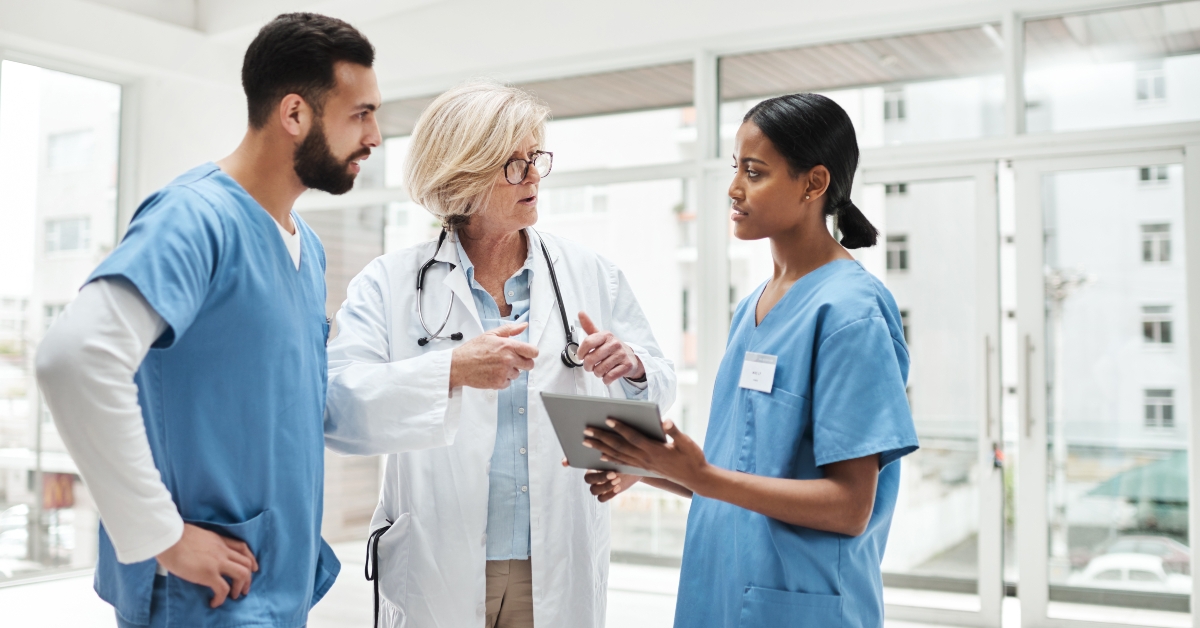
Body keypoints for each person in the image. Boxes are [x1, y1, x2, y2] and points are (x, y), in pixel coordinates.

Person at [35, 13, 382, 627]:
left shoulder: (305, 246)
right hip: (202, 597)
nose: (375, 136)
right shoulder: (195, 217)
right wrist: (160, 534)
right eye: (360, 114)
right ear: (295, 114)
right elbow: (74, 358)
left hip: (272, 585)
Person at [323, 80, 676, 628]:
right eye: (513, 164)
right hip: (440, 559)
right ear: (461, 175)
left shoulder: (589, 273)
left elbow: (659, 387)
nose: (533, 175)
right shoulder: (390, 282)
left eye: (536, 157)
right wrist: (451, 371)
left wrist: (632, 366)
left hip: (555, 560)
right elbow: (338, 406)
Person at [580, 93, 919, 628]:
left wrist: (700, 475)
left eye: (754, 172)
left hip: (800, 606)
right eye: (735, 167)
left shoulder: (851, 311)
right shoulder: (753, 307)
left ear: (814, 183)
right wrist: (646, 466)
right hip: (718, 591)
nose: (734, 188)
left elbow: (850, 507)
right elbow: (738, 476)